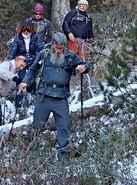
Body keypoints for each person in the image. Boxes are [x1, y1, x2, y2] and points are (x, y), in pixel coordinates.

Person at [19, 32, 90, 161]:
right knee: (37, 126)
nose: (59, 50)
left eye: (62, 48)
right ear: (52, 44)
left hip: (61, 98)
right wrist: (24, 81)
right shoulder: (44, 54)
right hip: (44, 96)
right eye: (57, 47)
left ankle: (63, 159)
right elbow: (32, 69)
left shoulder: (70, 56)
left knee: (64, 127)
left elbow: (86, 65)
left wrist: (83, 67)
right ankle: (28, 154)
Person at [7, 19, 43, 107]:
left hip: (33, 59)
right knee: (22, 80)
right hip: (22, 60)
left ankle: (34, 101)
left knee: (35, 80)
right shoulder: (18, 37)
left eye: (28, 30)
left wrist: (42, 59)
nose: (26, 32)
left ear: (31, 29)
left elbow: (41, 49)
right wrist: (9, 62)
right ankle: (18, 103)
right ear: (21, 29)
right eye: (24, 30)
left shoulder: (36, 37)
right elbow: (13, 50)